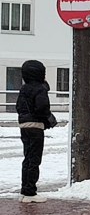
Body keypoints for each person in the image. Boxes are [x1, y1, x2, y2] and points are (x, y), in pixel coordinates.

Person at [16, 60, 53, 203]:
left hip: (24, 125)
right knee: (35, 159)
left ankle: (25, 190)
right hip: (36, 126)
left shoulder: (23, 89)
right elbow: (42, 107)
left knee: (27, 158)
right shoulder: (40, 88)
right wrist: (47, 119)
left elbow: (18, 107)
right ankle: (30, 191)